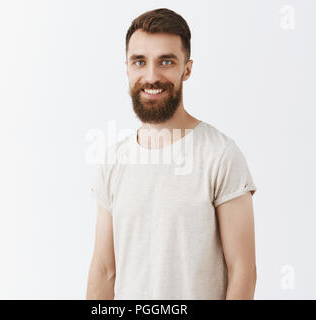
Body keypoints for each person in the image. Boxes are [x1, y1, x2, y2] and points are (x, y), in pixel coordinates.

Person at [86, 8, 258, 300]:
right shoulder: (113, 161)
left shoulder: (220, 155)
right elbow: (104, 270)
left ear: (186, 69)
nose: (151, 76)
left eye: (166, 61)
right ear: (127, 68)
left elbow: (243, 271)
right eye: (139, 61)